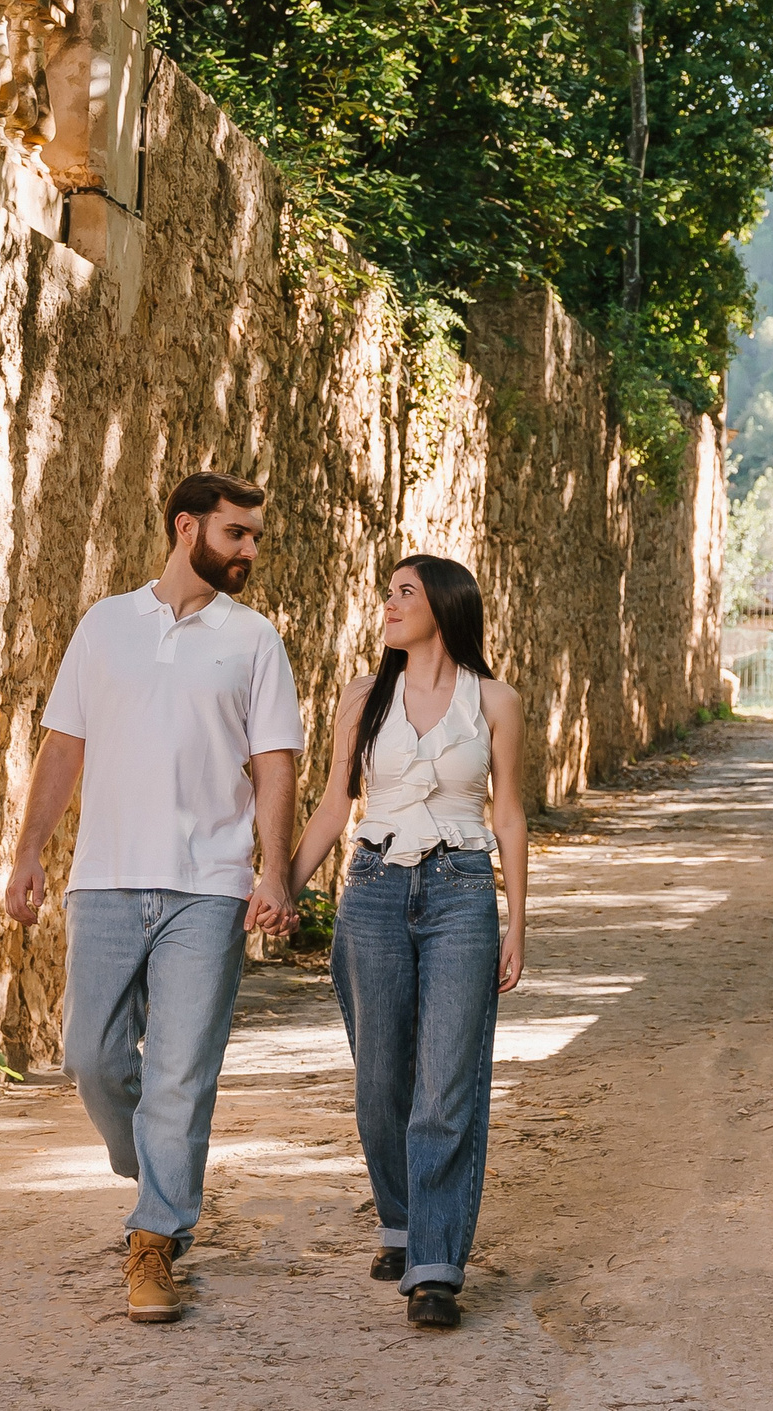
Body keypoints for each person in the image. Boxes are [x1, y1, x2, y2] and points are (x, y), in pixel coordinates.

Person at [3, 471, 305, 1324]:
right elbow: (64, 745)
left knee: (179, 1070)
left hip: (208, 886)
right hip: (102, 877)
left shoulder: (254, 640)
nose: (250, 550)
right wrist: (27, 854)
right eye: (236, 533)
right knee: (91, 1060)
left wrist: (271, 873)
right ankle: (161, 1169)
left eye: (255, 537)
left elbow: (274, 762)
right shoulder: (104, 626)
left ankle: (152, 1239)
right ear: (186, 528)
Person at [289, 554, 527, 1332]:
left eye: (404, 592)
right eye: (387, 592)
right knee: (381, 1085)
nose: (387, 604)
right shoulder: (363, 697)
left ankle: (435, 1265)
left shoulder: (495, 701)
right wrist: (282, 885)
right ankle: (402, 1220)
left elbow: (510, 817)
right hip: (375, 891)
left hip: (461, 891)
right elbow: (333, 804)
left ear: (445, 606)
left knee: (445, 1086)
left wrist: (517, 920)